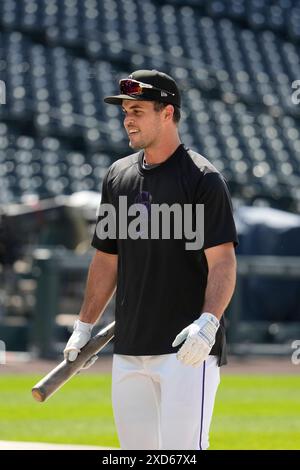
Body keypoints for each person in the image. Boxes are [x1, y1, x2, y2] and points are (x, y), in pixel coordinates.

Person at [64, 69, 238, 450]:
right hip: (129, 346)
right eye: (125, 110)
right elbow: (106, 259)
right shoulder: (117, 175)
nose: (127, 118)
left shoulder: (203, 179)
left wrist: (208, 324)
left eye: (138, 109)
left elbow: (223, 261)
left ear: (167, 113)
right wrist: (84, 325)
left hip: (186, 349)